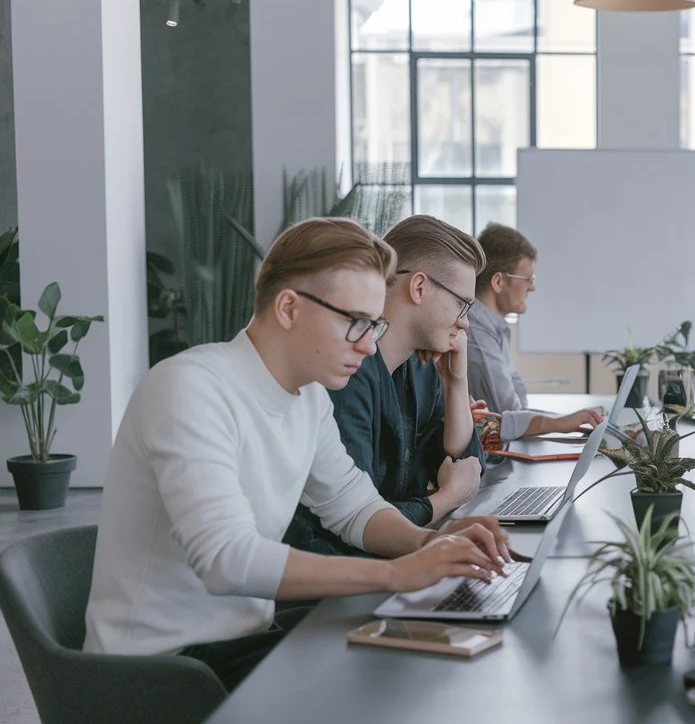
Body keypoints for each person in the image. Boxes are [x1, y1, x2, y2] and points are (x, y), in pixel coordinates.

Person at [84, 217, 512, 692]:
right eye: (356, 323)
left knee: (424, 660)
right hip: (159, 671)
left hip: (238, 641)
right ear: (288, 307)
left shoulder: (306, 399)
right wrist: (396, 572)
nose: (370, 345)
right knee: (396, 679)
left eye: (375, 325)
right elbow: (227, 559)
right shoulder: (190, 388)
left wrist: (429, 543)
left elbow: (354, 506)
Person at [283, 215, 489, 557]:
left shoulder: (422, 366)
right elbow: (351, 528)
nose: (465, 321)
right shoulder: (346, 374)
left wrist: (456, 382)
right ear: (419, 287)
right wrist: (443, 500)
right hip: (336, 582)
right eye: (461, 304)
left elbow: (465, 466)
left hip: (394, 559)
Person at [466, 223, 602, 442]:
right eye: (527, 278)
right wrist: (561, 422)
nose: (533, 287)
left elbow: (518, 408)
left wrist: (568, 420)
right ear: (499, 281)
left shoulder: (494, 328)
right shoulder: (475, 332)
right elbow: (504, 417)